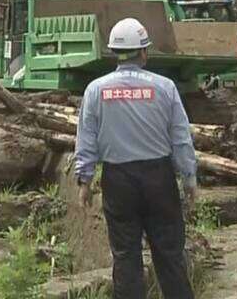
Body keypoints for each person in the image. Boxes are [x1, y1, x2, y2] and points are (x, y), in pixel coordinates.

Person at [74, 18, 197, 299]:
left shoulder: (96, 90)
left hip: (118, 182)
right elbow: (180, 138)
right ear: (143, 52)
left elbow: (86, 138)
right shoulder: (165, 88)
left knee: (125, 257)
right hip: (159, 179)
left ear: (115, 52)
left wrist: (84, 179)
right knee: (169, 255)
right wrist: (189, 178)